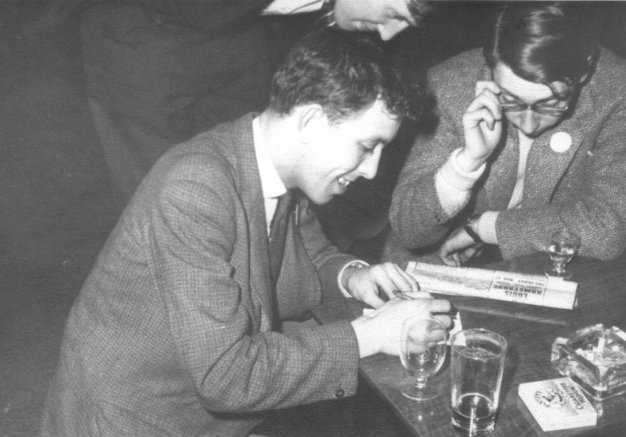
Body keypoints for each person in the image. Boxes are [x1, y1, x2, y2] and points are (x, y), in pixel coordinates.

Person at [39, 28, 451, 436]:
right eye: (366, 146)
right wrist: (370, 335)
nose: (372, 170)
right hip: (137, 419)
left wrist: (354, 276)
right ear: (310, 121)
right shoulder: (195, 187)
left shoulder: (277, 168)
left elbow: (310, 257)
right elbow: (225, 376)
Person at [75, 0, 432, 209]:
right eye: (396, 14)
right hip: (141, 63)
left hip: (226, 70)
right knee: (165, 205)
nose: (387, 33)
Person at [384, 1, 626, 267]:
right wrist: (466, 163)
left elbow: (607, 230)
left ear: (583, 72)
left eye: (550, 104)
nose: (529, 125)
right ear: (490, 69)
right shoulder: (450, 83)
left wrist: (487, 228)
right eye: (511, 100)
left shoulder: (617, 91)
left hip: (550, 265)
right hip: (438, 261)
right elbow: (408, 229)